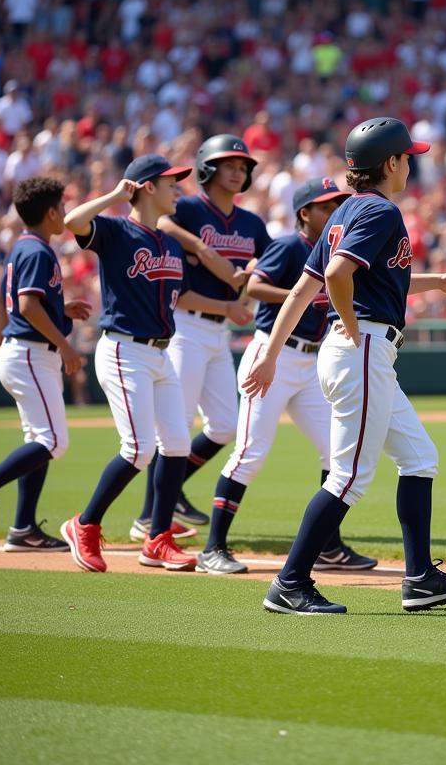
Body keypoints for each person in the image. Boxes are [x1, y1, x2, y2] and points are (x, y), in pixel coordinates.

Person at [242, 117, 446, 614]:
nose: (411, 165)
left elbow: (307, 289)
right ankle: (290, 583)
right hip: (363, 347)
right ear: (391, 162)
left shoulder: (345, 212)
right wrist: (350, 323)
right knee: (348, 479)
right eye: (407, 157)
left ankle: (420, 579)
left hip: (358, 348)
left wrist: (268, 355)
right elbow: (335, 277)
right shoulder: (382, 212)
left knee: (419, 457)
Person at [60, 155, 247, 573]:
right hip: (125, 350)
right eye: (170, 184)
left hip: (162, 352)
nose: (178, 190)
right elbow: (73, 221)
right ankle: (84, 524)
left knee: (177, 445)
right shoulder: (114, 229)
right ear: (145, 187)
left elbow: (177, 297)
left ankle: (158, 539)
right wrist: (114, 194)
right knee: (139, 449)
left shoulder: (169, 241)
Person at [196, 177, 376, 575]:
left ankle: (329, 547)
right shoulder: (289, 245)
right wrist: (307, 295)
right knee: (250, 453)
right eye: (325, 206)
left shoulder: (334, 247)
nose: (334, 211)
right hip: (271, 355)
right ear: (304, 213)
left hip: (310, 362)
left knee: (336, 450)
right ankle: (213, 548)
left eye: (338, 204)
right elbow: (256, 289)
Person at [130, 134, 266, 541]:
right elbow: (163, 224)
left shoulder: (252, 222)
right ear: (207, 167)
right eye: (229, 163)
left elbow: (271, 261)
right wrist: (203, 251)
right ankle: (148, 515)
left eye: (243, 166)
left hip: (218, 331)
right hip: (185, 325)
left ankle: (170, 492)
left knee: (224, 425)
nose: (238, 170)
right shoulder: (186, 207)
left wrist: (252, 273)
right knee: (174, 427)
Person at [0, 177, 90, 550]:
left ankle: (23, 528)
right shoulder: (39, 252)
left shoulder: (23, 247)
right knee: (54, 441)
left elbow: (7, 303)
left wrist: (57, 311)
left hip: (21, 350)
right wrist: (65, 345)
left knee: (39, 439)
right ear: (50, 213)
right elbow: (27, 306)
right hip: (30, 352)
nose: (64, 212)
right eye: (61, 207)